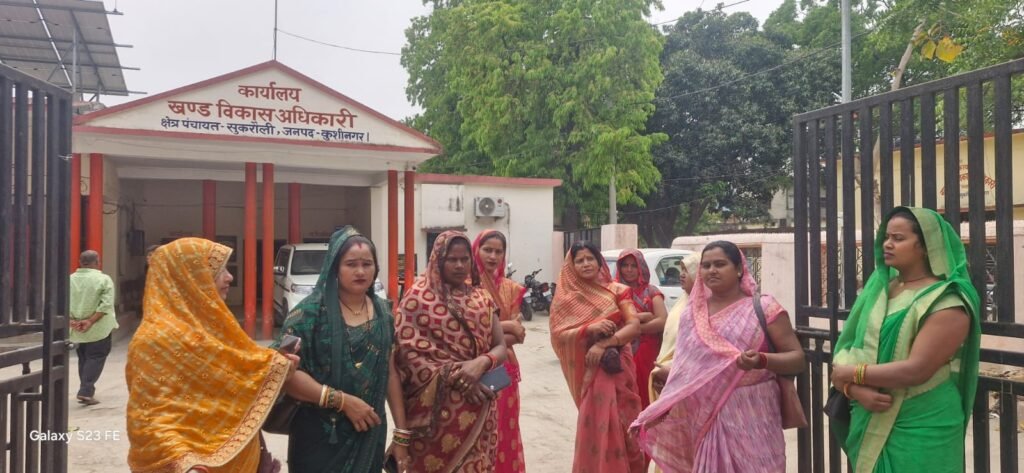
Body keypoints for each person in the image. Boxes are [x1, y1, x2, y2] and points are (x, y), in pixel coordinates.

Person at [126, 238, 299, 473]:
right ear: (189, 278)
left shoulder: (215, 325)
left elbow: (236, 375)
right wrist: (183, 461)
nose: (230, 277)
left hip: (243, 457)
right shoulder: (154, 340)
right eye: (219, 270)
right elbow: (148, 418)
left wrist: (276, 365)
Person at [631, 240, 805, 473]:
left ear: (739, 269)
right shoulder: (692, 315)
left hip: (755, 413)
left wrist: (762, 360)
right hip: (705, 415)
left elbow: (797, 359)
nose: (711, 270)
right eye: (706, 265)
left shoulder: (765, 308)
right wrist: (672, 376)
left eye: (720, 264)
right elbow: (690, 364)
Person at [829, 207, 980, 473]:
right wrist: (853, 390)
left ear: (926, 246)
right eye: (886, 237)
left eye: (898, 238)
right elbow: (851, 345)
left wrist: (850, 374)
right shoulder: (880, 289)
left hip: (922, 421)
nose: (887, 244)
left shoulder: (947, 302)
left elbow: (917, 370)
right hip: (871, 409)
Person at [275, 227, 412, 473]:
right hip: (319, 438)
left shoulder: (384, 313)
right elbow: (282, 370)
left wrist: (401, 435)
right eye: (351, 264)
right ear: (334, 267)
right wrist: (342, 401)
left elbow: (390, 372)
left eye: (367, 264)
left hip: (368, 433)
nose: (360, 271)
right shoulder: (306, 314)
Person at [394, 230, 508, 471]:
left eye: (464, 259)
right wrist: (461, 377)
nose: (459, 265)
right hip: (437, 419)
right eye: (452, 259)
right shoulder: (417, 299)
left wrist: (481, 363)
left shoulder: (482, 297)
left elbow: (501, 347)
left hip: (481, 409)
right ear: (437, 259)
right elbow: (408, 358)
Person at [549, 240, 645, 473]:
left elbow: (634, 326)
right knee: (597, 424)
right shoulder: (566, 299)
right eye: (579, 260)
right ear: (571, 266)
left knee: (625, 422)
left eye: (590, 258)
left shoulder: (618, 290)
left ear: (599, 261)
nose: (585, 264)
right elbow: (558, 334)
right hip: (590, 371)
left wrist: (605, 344)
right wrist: (588, 329)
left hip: (617, 365)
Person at [472, 229, 528, 473]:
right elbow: (469, 333)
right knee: (476, 430)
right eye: (487, 250)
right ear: (476, 250)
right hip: (472, 367)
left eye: (498, 251)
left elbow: (518, 336)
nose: (493, 256)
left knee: (505, 428)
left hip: (504, 370)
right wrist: (506, 326)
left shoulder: (511, 289)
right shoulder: (466, 286)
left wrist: (492, 332)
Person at [615, 249, 668, 410]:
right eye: (625, 265)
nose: (629, 270)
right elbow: (613, 319)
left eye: (634, 265)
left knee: (646, 388)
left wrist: (634, 328)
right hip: (621, 348)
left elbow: (662, 320)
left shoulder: (651, 291)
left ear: (641, 268)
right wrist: (644, 316)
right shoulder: (613, 291)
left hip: (647, 350)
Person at [69, 250, 119, 406]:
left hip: (77, 327)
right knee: (96, 357)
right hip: (98, 328)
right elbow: (106, 305)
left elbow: (61, 301)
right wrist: (90, 321)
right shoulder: (103, 279)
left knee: (83, 358)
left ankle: (85, 388)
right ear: (97, 262)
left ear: (80, 262)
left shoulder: (70, 279)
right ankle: (86, 391)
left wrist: (71, 321)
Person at [649, 252, 700, 400]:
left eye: (687, 270)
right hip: (666, 371)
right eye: (681, 270)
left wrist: (672, 371)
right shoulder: (682, 301)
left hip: (683, 375)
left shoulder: (703, 306)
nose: (682, 275)